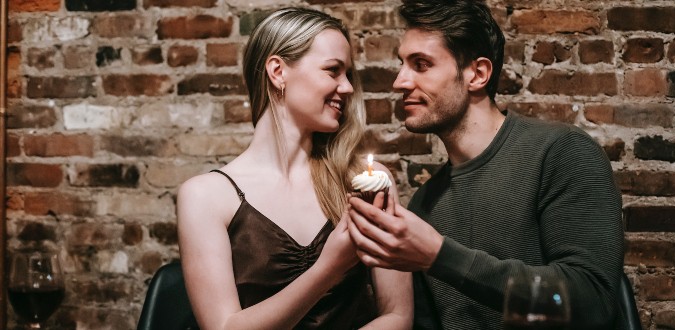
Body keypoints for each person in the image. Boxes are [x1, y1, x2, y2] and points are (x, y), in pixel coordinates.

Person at [346, 0, 625, 329]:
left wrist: (439, 256)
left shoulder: (561, 153)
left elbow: (590, 302)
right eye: (402, 64)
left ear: (477, 74)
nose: (400, 82)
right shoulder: (425, 204)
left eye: (420, 65)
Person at [177, 7, 412, 329]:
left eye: (348, 75)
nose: (346, 88)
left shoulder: (366, 182)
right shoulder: (205, 196)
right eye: (333, 71)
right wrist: (329, 268)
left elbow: (398, 315)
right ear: (278, 71)